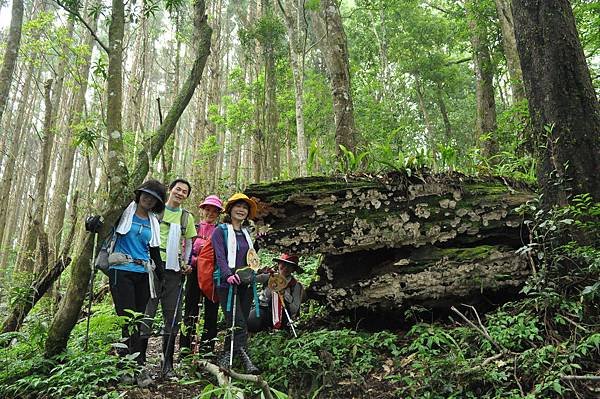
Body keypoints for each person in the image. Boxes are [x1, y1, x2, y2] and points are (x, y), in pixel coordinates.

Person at [107, 180, 165, 384]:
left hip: (143, 272)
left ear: (157, 203)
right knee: (127, 320)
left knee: (138, 320)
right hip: (120, 271)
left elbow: (155, 250)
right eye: (146, 195)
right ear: (139, 194)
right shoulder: (123, 213)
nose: (148, 199)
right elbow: (104, 225)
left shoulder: (153, 222)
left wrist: (163, 275)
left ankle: (137, 366)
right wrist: (93, 222)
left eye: (153, 198)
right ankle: (127, 367)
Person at [140, 178, 196, 379]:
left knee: (172, 316)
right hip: (152, 266)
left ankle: (168, 364)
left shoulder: (186, 217)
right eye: (178, 189)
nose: (180, 193)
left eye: (185, 192)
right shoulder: (155, 209)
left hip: (174, 270)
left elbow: (189, 242)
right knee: (147, 313)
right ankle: (139, 363)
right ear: (170, 190)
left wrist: (187, 262)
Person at [212, 193, 260, 374]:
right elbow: (220, 256)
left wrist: (259, 242)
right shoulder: (221, 231)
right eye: (238, 206)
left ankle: (226, 356)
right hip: (227, 284)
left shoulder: (247, 234)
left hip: (244, 283)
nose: (241, 210)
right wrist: (227, 275)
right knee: (238, 321)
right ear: (230, 210)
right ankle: (246, 361)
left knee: (239, 322)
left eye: (245, 208)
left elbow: (251, 256)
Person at [179, 194, 223, 356]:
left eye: (214, 211)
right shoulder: (195, 228)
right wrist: (193, 261)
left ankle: (207, 352)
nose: (210, 213)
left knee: (211, 312)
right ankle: (185, 351)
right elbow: (186, 249)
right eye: (208, 210)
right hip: (194, 273)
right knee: (190, 311)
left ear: (218, 214)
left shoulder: (221, 231)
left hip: (213, 275)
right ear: (202, 211)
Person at [248, 254, 304, 333]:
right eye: (283, 264)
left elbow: (294, 308)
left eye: (289, 266)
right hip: (264, 310)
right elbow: (250, 279)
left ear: (293, 269)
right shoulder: (270, 277)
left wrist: (284, 293)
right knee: (251, 322)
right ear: (278, 265)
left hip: (283, 314)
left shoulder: (295, 285)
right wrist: (258, 271)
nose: (285, 268)